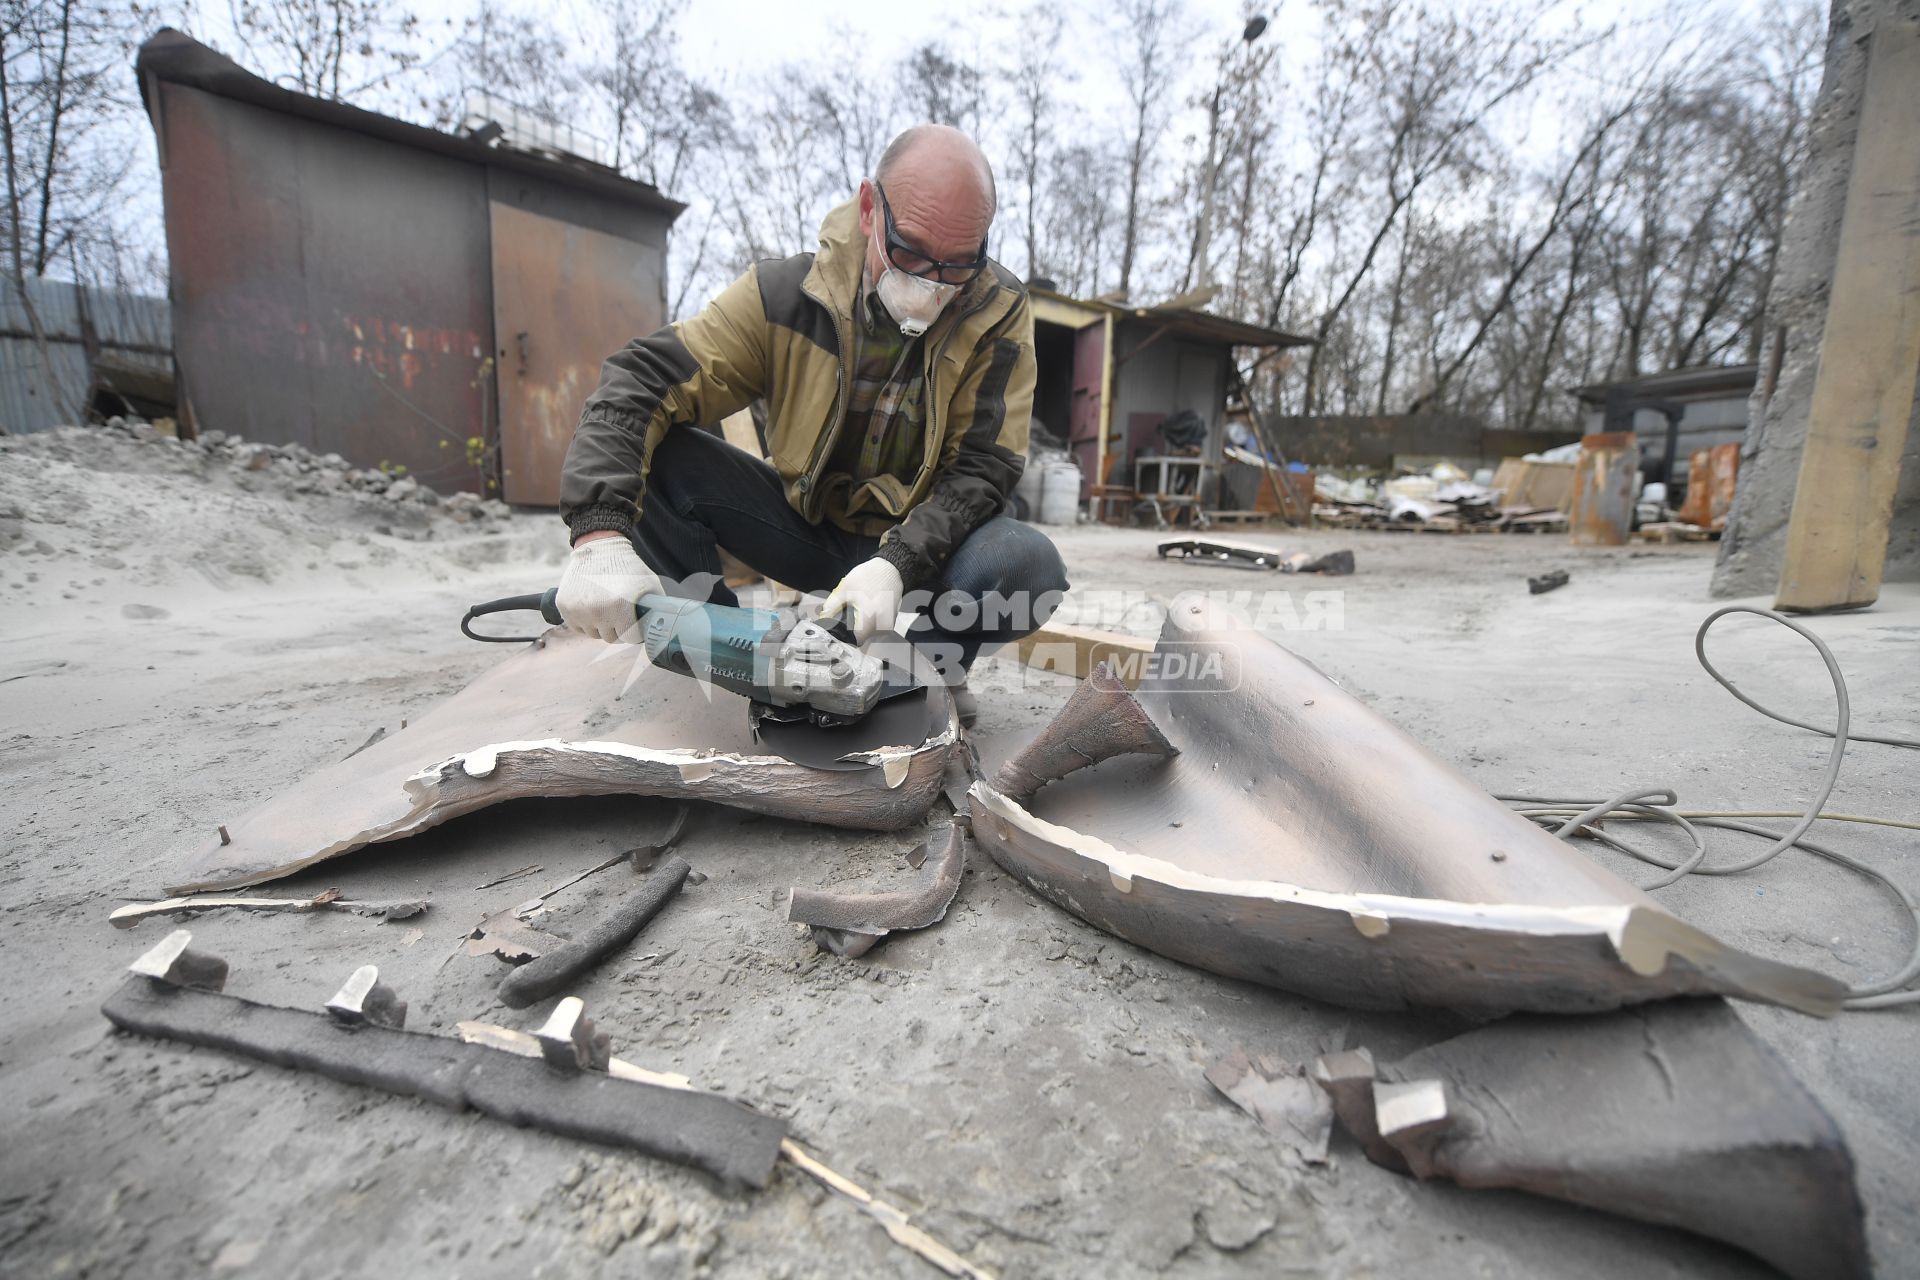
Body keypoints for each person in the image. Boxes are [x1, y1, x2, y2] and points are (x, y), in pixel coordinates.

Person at [553, 123, 1068, 725]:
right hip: (805, 528)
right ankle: (741, 659)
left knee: (1027, 564)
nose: (931, 287)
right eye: (910, 254)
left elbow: (985, 467)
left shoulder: (998, 314)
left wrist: (896, 564)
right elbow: (640, 380)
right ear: (871, 208)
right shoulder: (784, 296)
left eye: (958, 267)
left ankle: (919, 678)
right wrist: (598, 533)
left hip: (926, 546)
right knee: (666, 459)